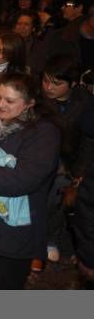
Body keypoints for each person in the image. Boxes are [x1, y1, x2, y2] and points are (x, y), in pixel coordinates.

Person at [0, 73, 61, 289]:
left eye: (9, 101)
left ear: (29, 104)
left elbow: (22, 180)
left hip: (12, 235)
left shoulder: (43, 133)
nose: (0, 105)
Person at [39, 55, 94, 268]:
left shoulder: (85, 103)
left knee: (61, 194)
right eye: (45, 80)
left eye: (56, 83)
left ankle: (51, 238)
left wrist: (79, 173)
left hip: (71, 161)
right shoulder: (37, 98)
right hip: (42, 155)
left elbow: (88, 143)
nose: (48, 87)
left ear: (71, 84)